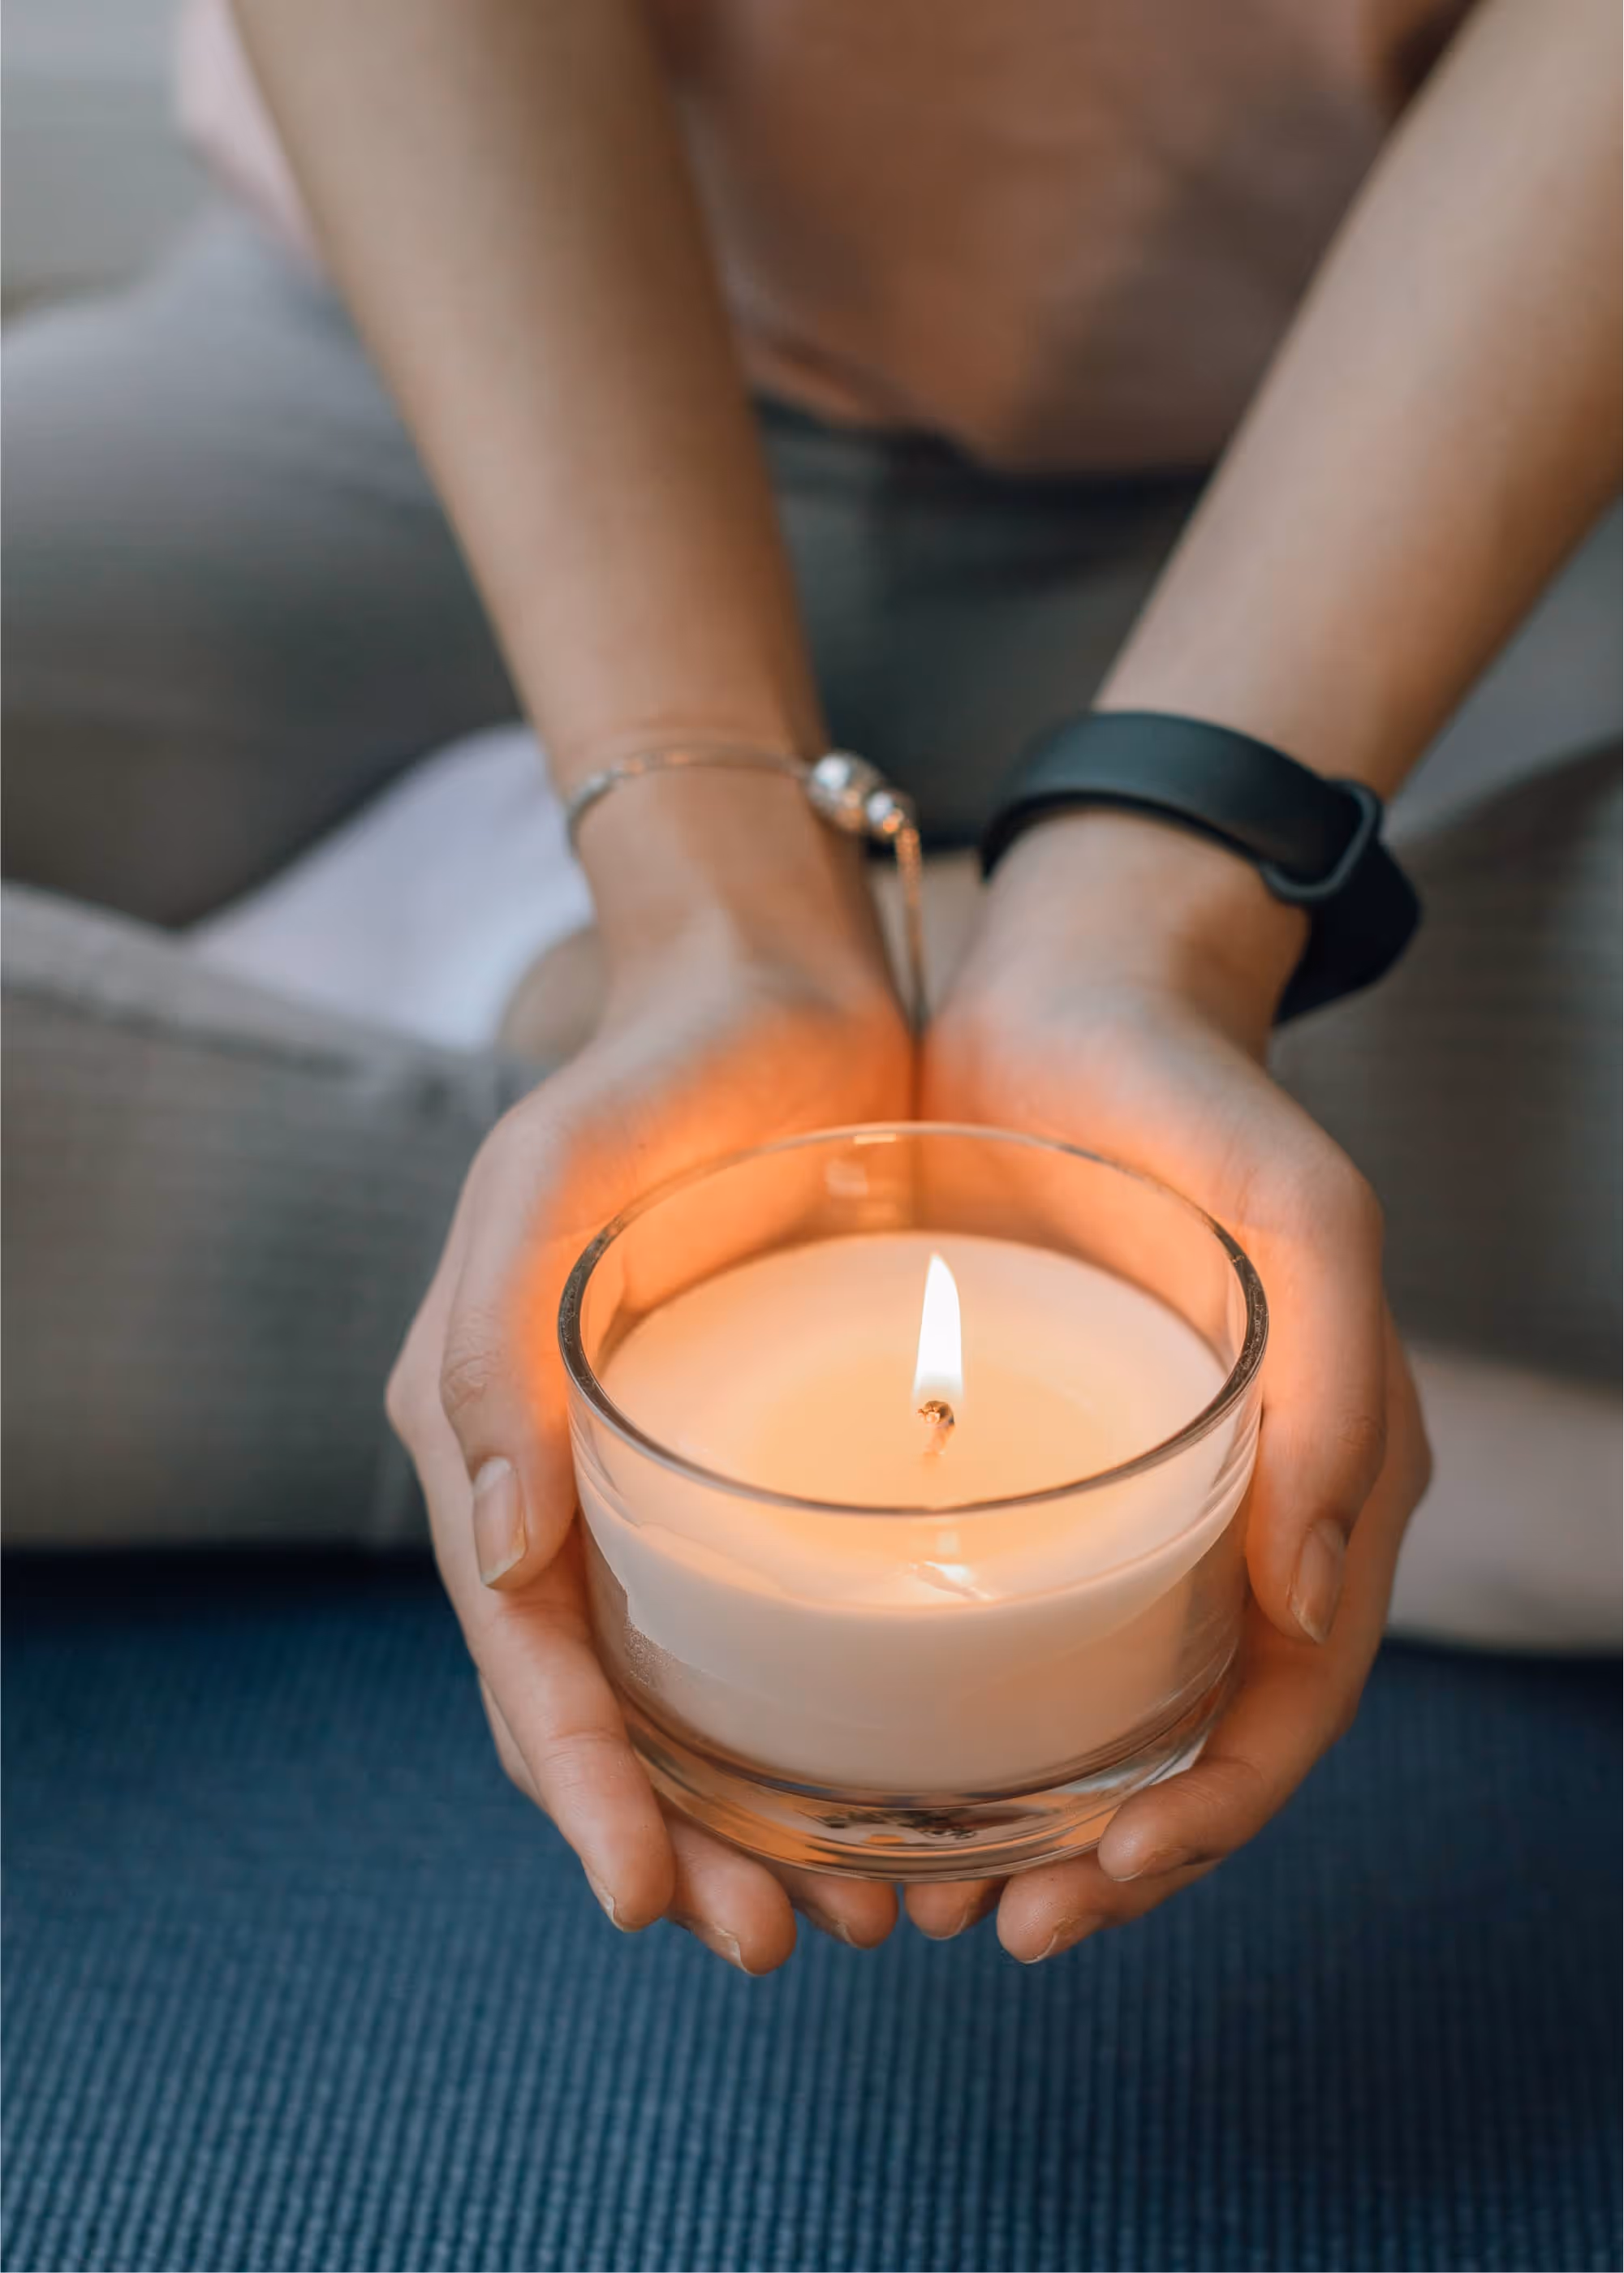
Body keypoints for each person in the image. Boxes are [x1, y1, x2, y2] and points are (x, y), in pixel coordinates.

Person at [2, 0, 1618, 1974]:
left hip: (1420, 447)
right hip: (475, 363)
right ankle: (535, 1264)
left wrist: (1162, 918)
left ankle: (466, 1160)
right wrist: (708, 902)